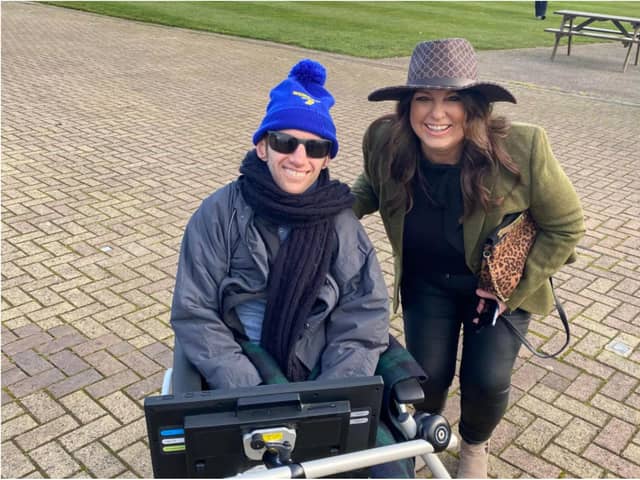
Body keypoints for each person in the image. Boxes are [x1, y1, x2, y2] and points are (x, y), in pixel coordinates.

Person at [352, 38, 585, 478]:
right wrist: (327, 210)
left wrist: (512, 287)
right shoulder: (385, 139)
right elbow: (371, 187)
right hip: (427, 282)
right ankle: (425, 433)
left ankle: (475, 444)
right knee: (426, 378)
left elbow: (567, 226)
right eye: (424, 98)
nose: (436, 114)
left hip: (498, 291)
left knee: (487, 378)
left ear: (474, 105)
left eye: (453, 99)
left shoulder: (523, 147)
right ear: (408, 105)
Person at [170, 58, 389, 392]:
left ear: (326, 158)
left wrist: (331, 396)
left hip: (317, 365)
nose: (299, 158)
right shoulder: (218, 213)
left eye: (315, 147)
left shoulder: (341, 222)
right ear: (262, 147)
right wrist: (254, 392)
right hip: (240, 361)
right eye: (285, 142)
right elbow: (194, 309)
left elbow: (364, 315)